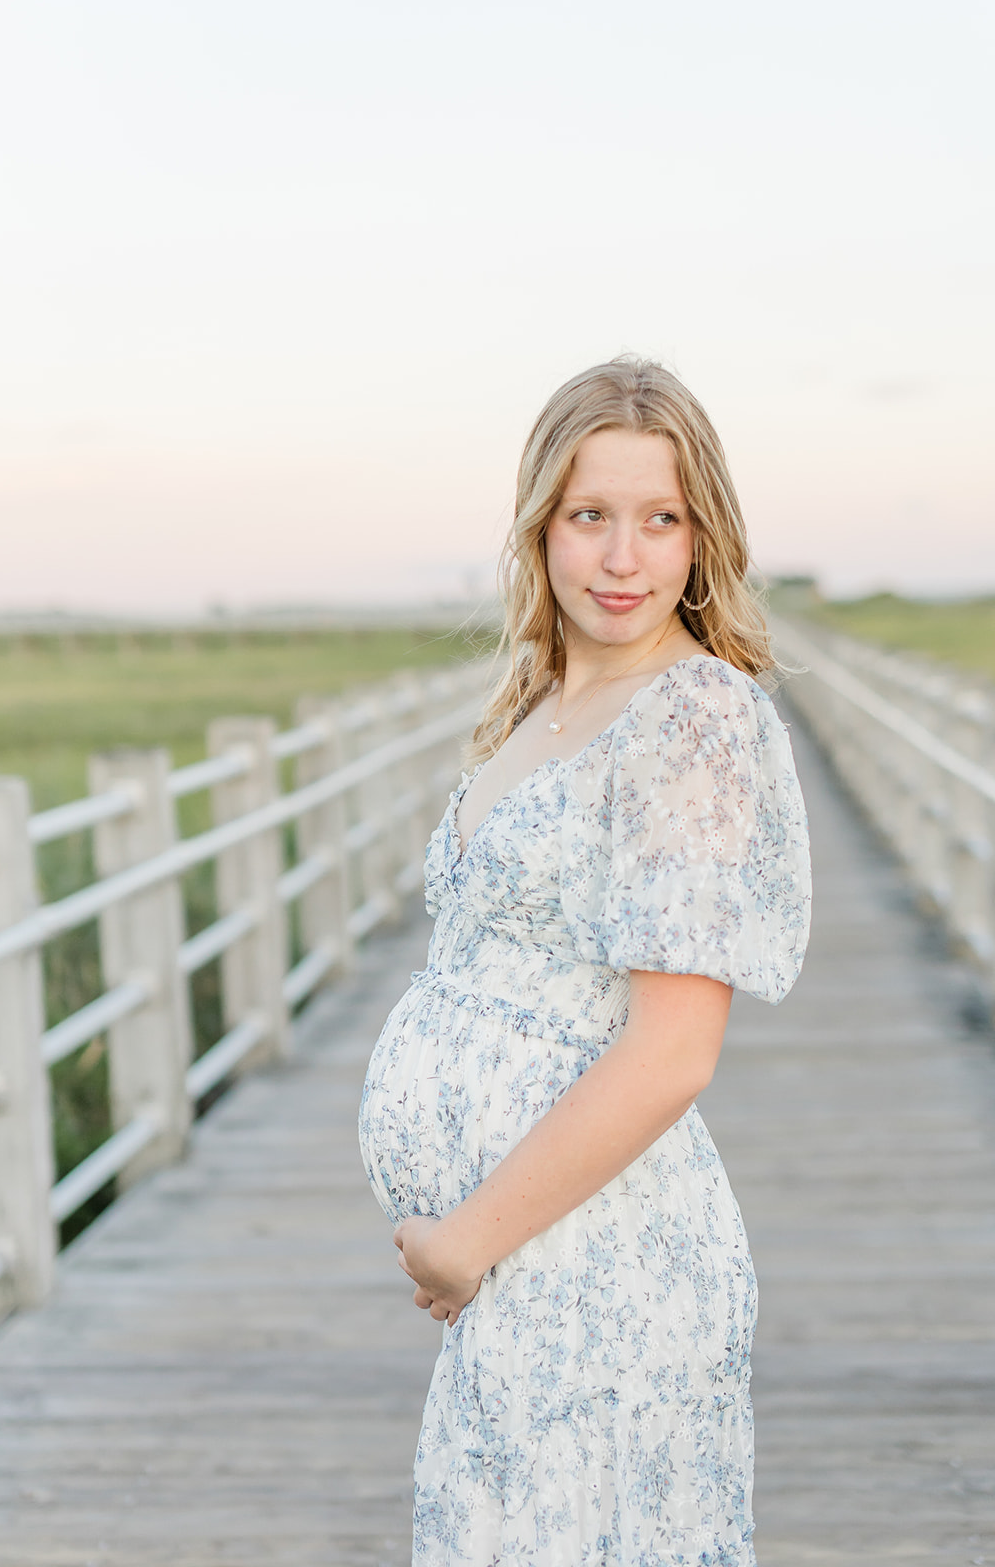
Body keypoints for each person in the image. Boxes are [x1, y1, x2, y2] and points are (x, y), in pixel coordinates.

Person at [358, 356, 811, 1565]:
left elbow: (673, 1050)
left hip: (608, 1271)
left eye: (662, 518)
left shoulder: (693, 719)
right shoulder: (538, 702)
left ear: (703, 536)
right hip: (533, 1269)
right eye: (590, 515)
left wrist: (468, 1235)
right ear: (539, 525)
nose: (624, 558)